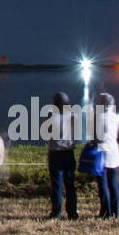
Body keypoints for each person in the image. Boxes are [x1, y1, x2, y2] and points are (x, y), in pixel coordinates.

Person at [46, 91, 78, 220]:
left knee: (56, 185)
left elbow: (46, 133)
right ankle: (72, 212)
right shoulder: (73, 116)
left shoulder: (50, 116)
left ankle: (56, 212)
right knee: (70, 185)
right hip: (69, 153)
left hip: (55, 153)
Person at [93, 93, 119, 218]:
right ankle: (116, 211)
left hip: (101, 154)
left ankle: (105, 212)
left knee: (103, 184)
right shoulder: (115, 117)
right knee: (113, 184)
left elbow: (94, 137)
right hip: (114, 154)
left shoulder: (97, 118)